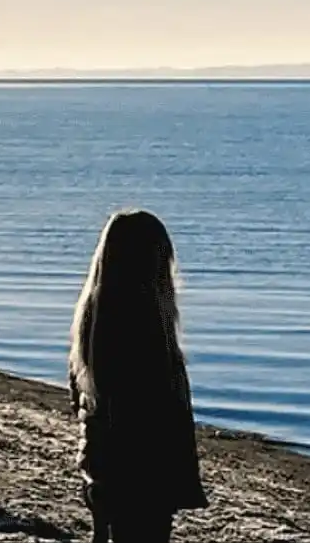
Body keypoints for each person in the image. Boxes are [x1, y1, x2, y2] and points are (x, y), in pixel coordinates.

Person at [71, 210, 205, 543]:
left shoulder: (91, 327)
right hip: (141, 474)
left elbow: (80, 401)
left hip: (102, 465)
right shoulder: (145, 333)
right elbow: (158, 415)